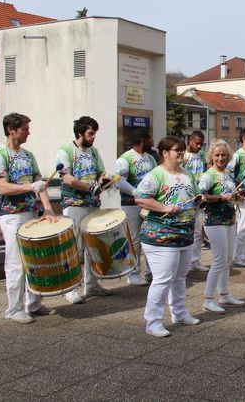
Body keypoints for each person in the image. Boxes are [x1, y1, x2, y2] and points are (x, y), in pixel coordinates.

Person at [0, 113, 58, 324]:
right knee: (16, 263)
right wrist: (30, 187)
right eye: (25, 129)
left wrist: (47, 209)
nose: (29, 132)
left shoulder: (28, 155)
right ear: (11, 129)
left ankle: (33, 304)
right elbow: (2, 187)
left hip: (31, 212)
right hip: (11, 215)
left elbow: (40, 183)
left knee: (34, 260)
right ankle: (14, 308)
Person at [135, 137, 200, 337]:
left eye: (182, 150)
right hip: (161, 235)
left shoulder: (188, 174)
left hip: (184, 234)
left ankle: (179, 313)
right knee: (163, 279)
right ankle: (152, 322)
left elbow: (195, 196)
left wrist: (200, 200)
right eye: (176, 150)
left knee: (180, 277)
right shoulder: (156, 174)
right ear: (164, 153)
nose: (180, 153)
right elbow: (140, 197)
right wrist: (164, 207)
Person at [56, 116, 112, 304]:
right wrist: (90, 188)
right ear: (79, 133)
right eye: (90, 133)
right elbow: (68, 179)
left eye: (95, 133)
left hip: (92, 204)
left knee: (92, 246)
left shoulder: (94, 152)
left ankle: (92, 283)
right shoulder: (66, 151)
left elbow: (100, 173)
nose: (94, 137)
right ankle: (70, 288)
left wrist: (104, 180)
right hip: (74, 205)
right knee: (73, 247)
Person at [199, 140, 245, 314]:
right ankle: (208, 299)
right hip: (214, 221)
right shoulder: (208, 175)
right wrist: (221, 198)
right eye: (217, 155)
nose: (220, 158)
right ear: (211, 156)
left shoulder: (228, 174)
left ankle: (224, 294)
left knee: (227, 261)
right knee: (219, 261)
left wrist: (237, 197)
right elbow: (202, 196)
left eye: (223, 155)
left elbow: (231, 195)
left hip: (229, 221)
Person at [114, 129, 156, 286]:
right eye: (149, 138)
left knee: (150, 236)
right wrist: (135, 192)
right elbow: (119, 181)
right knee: (134, 238)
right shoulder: (125, 158)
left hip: (149, 204)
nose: (152, 141)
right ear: (142, 140)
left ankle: (150, 271)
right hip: (131, 205)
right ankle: (133, 273)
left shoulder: (150, 158)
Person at [226, 129, 245, 267]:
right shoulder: (237, 155)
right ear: (244, 139)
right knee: (243, 226)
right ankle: (238, 256)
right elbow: (228, 174)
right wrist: (235, 192)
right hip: (241, 195)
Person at [182, 131, 209, 272]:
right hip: (186, 198)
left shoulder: (202, 155)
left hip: (199, 197)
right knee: (186, 230)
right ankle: (185, 262)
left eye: (201, 144)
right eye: (196, 143)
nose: (199, 146)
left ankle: (195, 260)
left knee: (198, 230)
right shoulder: (184, 156)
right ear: (190, 140)